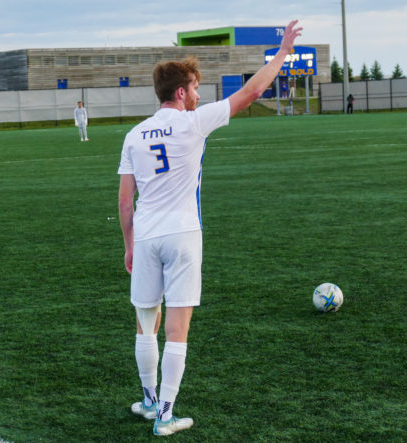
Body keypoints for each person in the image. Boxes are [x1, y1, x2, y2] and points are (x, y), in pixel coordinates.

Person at [117, 19, 303, 437]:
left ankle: (148, 402)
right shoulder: (193, 122)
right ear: (180, 92)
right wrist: (283, 51)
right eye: (197, 89)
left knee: (146, 321)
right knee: (177, 328)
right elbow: (253, 91)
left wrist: (128, 246)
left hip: (145, 237)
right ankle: (165, 414)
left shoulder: (133, 136)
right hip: (183, 235)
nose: (200, 96)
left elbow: (125, 202)